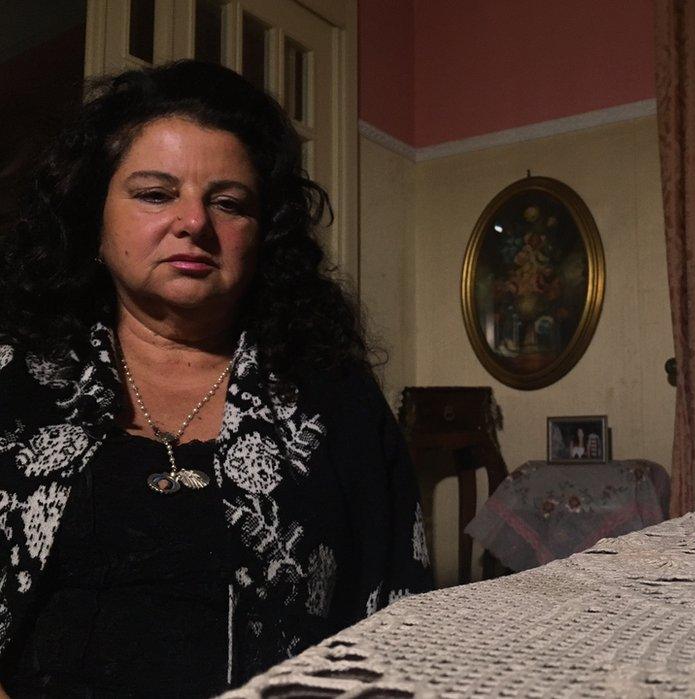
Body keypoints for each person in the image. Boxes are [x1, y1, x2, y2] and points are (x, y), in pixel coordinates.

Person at [0, 60, 432, 696]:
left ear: (264, 236)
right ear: (94, 216)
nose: (195, 223)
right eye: (155, 193)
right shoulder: (14, 376)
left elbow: (402, 606)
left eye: (228, 203)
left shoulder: (334, 395)